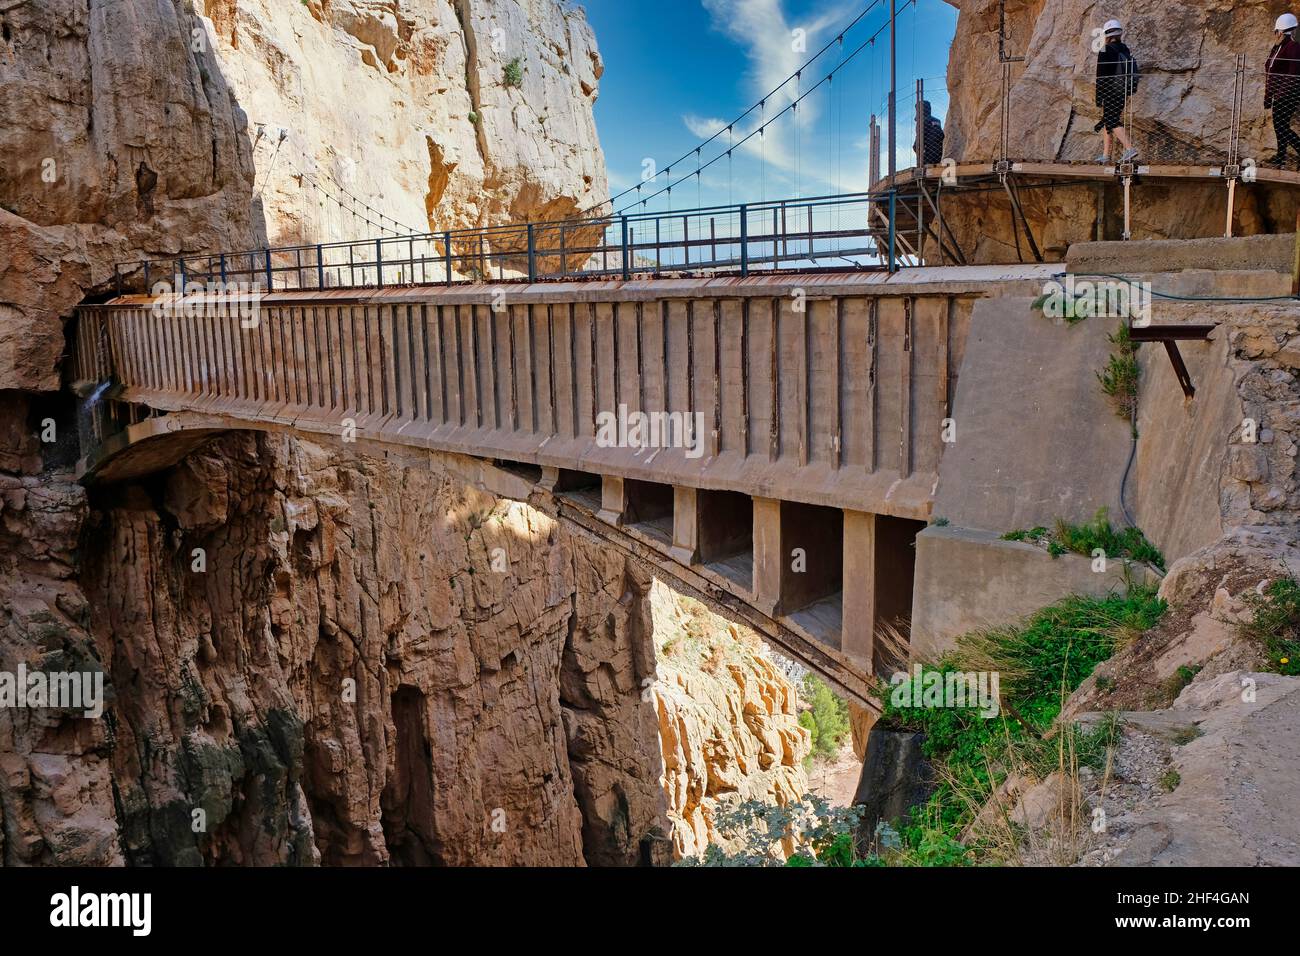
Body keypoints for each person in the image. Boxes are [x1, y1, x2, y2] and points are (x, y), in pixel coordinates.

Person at [1094, 19, 1139, 163]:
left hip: (1110, 91)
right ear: (1119, 33)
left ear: (1106, 35)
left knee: (1112, 121)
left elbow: (1101, 76)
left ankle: (1129, 148)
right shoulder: (1124, 49)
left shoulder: (1105, 50)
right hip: (1122, 90)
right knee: (1109, 121)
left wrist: (1099, 97)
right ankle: (1106, 156)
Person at [1266, 13, 1300, 167]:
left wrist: (1279, 94)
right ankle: (1281, 158)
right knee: (1280, 128)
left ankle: (1285, 156)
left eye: (1276, 32)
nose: (1276, 35)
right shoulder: (1278, 48)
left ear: (1281, 31)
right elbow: (1270, 69)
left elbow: (1294, 73)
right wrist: (1268, 96)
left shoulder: (1293, 47)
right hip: (1279, 95)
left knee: (1281, 127)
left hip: (1288, 95)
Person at [914, 100, 945, 166]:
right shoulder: (937, 121)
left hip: (927, 156)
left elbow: (918, 142)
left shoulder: (922, 121)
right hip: (939, 155)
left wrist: (916, 148)